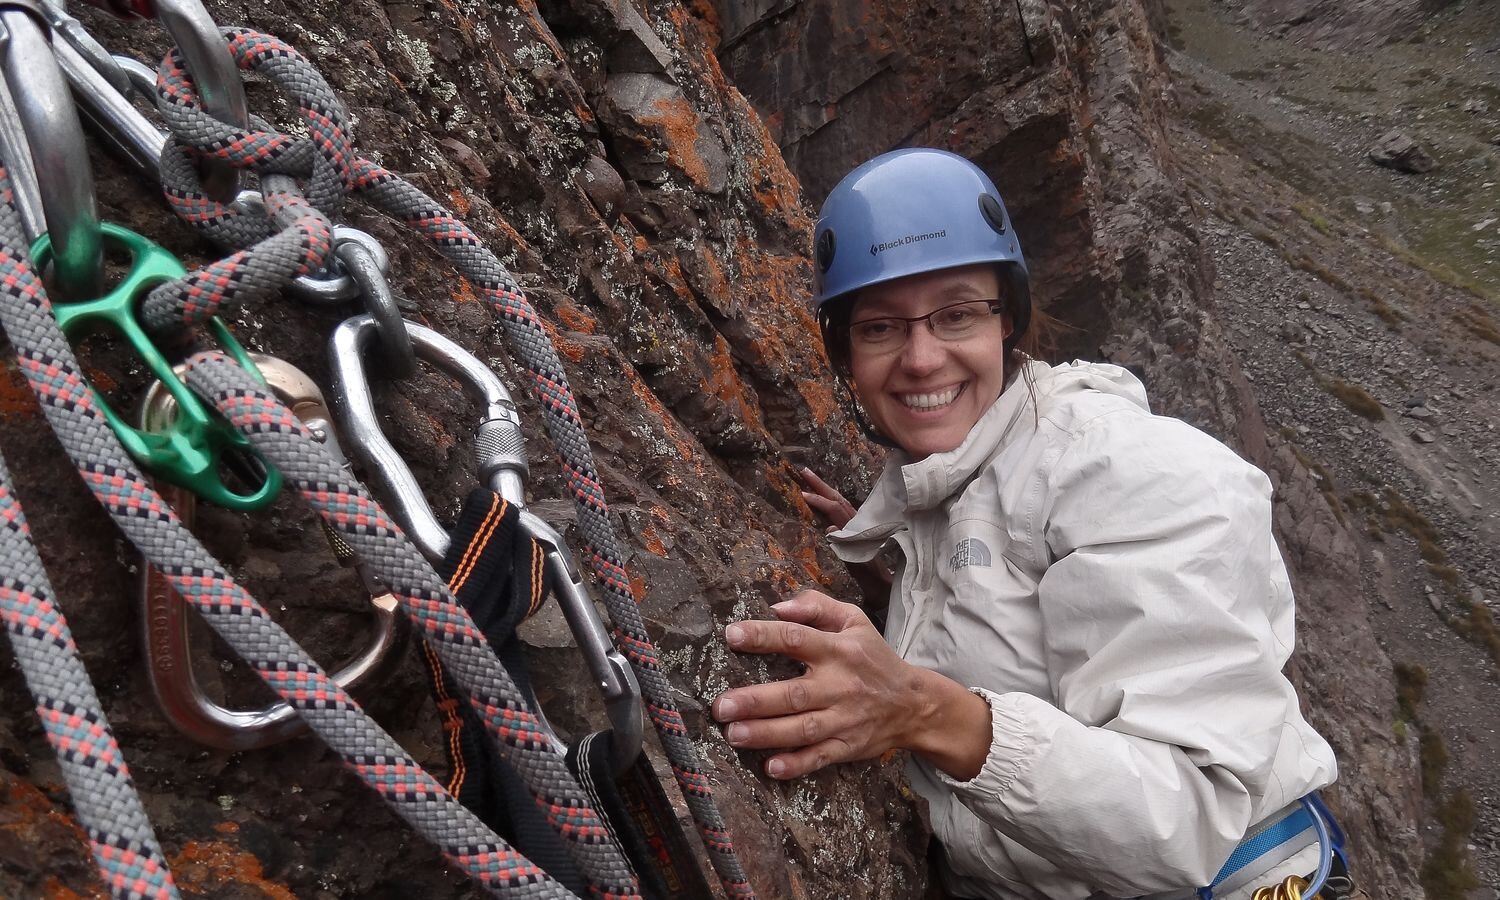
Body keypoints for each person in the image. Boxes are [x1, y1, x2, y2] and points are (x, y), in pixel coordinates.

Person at [711, 148, 1344, 899]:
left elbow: (1194, 818)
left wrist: (925, 712)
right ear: (845, 353)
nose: (920, 358)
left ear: (1006, 316)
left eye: (955, 314)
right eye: (880, 327)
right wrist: (900, 563)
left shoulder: (1140, 473)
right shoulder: (952, 486)